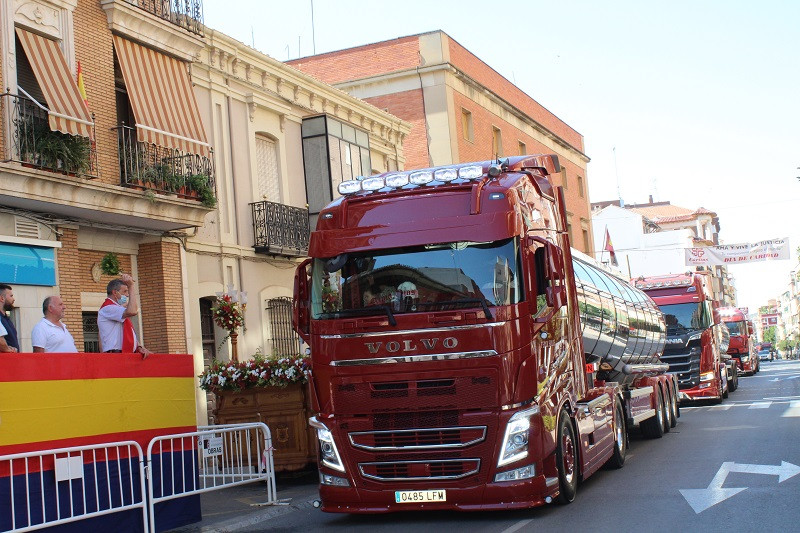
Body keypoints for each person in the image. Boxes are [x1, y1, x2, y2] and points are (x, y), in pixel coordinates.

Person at [98, 274, 151, 359]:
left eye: (127, 291)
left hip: (123, 354)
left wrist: (139, 347)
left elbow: (134, 309)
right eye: (125, 291)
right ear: (115, 292)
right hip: (115, 355)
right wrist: (131, 287)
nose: (127, 295)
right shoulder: (107, 308)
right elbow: (132, 311)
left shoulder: (117, 309)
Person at [0, 284, 19, 352]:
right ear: (2, 298)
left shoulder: (6, 318)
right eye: (11, 296)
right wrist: (8, 350)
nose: (13, 299)